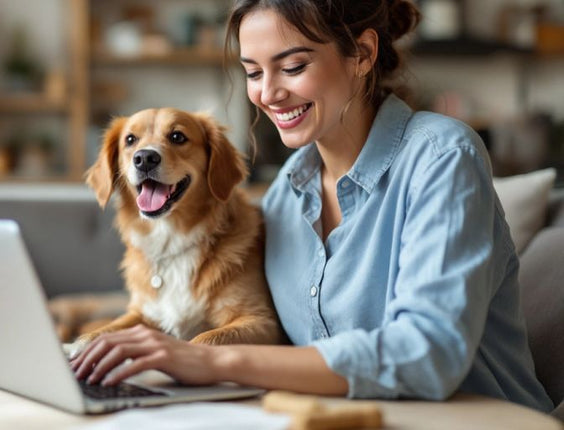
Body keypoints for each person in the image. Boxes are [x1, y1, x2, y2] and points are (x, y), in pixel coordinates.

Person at [70, 0, 554, 412]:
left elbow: (429, 355)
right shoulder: (283, 196)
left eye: (293, 66)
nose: (268, 94)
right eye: (254, 73)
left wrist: (207, 360)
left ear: (362, 54)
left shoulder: (442, 156)